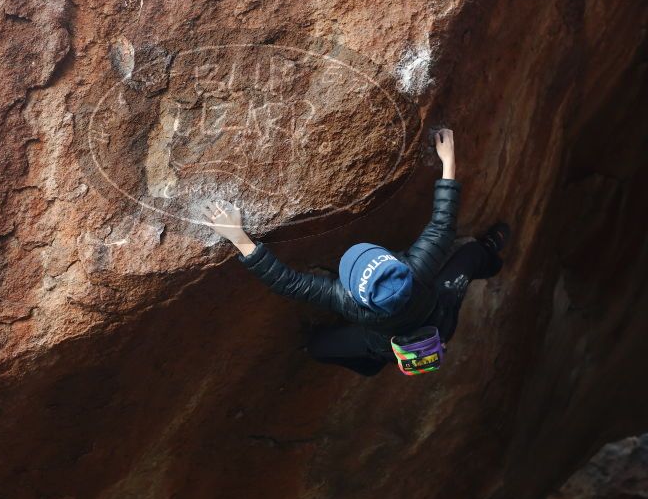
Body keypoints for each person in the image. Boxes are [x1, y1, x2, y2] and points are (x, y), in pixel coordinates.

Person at [203, 129, 510, 377]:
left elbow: (287, 283)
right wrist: (448, 160)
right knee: (470, 256)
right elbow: (443, 226)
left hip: (384, 344)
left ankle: (370, 366)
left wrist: (238, 237)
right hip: (441, 319)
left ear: (356, 297)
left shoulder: (346, 303)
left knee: (319, 347)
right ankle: (489, 256)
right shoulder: (418, 269)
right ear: (398, 263)